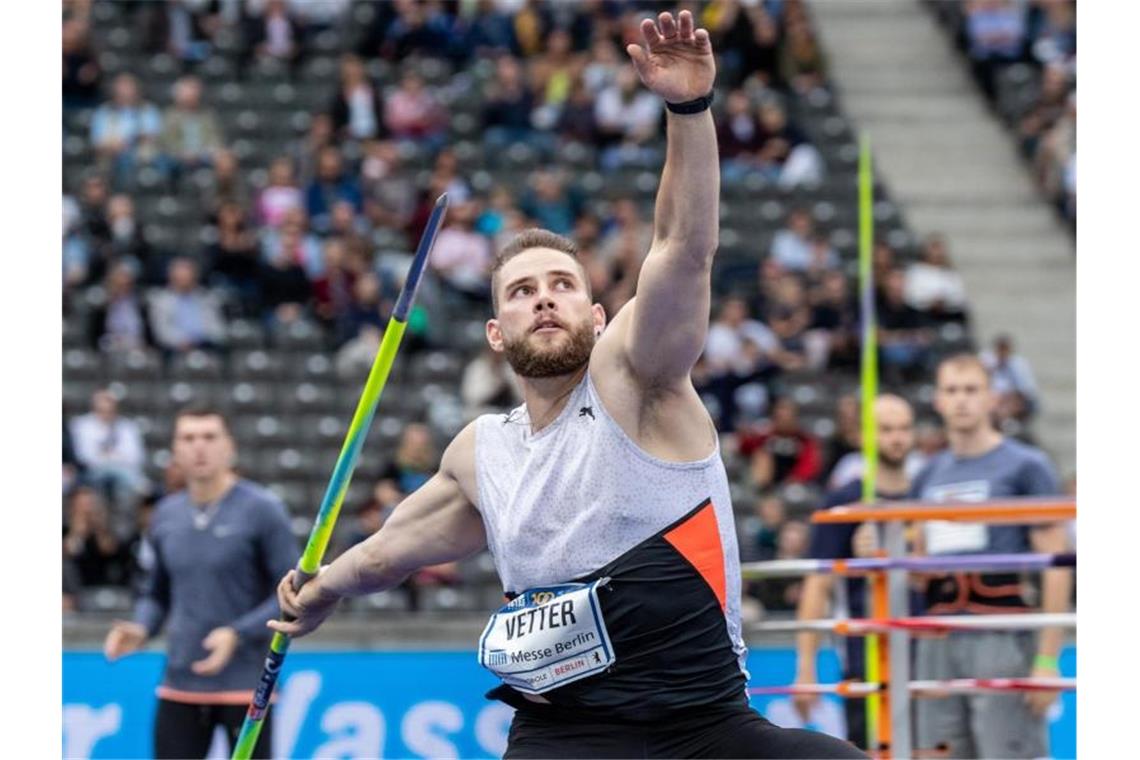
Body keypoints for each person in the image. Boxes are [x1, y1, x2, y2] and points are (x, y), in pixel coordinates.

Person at [270, 12, 865, 759]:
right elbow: (393, 550)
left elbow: (683, 250)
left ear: (599, 313)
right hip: (567, 736)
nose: (542, 297)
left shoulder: (636, 378)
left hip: (703, 728)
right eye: (520, 291)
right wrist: (321, 589)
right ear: (496, 334)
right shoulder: (482, 451)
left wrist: (688, 110)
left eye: (560, 284)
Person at [103, 406, 298, 759]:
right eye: (188, 438)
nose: (199, 447)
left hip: (246, 685)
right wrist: (142, 627)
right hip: (180, 683)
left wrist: (237, 633)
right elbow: (156, 591)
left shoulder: (263, 509)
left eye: (209, 437)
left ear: (230, 447)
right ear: (175, 451)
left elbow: (291, 595)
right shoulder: (165, 514)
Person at [911, 353, 1071, 759]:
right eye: (952, 390)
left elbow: (1056, 566)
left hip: (999, 636)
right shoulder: (928, 475)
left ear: (991, 399)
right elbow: (918, 570)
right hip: (938, 639)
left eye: (971, 390)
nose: (961, 400)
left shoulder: (1026, 465)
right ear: (938, 400)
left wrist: (1048, 658)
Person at [793, 395, 917, 753]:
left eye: (904, 429)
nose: (896, 438)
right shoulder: (844, 502)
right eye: (886, 429)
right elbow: (816, 585)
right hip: (866, 658)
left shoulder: (927, 494)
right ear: (864, 436)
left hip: (925, 655)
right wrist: (805, 670)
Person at [69, 388, 148, 512]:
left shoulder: (127, 427)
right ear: (94, 408)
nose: (106, 414)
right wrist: (114, 457)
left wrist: (106, 457)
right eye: (102, 410)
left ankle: (128, 526)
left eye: (110, 410)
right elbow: (84, 456)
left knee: (132, 481)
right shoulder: (82, 425)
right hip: (91, 473)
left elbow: (136, 457)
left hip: (123, 474)